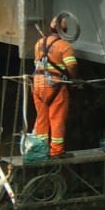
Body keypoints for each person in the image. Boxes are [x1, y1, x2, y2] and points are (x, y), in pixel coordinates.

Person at [32, 16, 78, 157]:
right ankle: (56, 151)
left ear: (51, 29)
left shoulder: (39, 43)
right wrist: (74, 79)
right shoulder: (64, 46)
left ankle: (41, 150)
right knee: (57, 118)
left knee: (42, 118)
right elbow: (72, 66)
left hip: (37, 84)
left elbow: (37, 64)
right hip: (55, 85)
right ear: (64, 31)